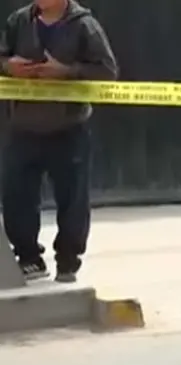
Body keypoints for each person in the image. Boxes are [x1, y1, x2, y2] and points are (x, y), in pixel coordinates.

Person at [0, 0, 117, 283]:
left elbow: (107, 71)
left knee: (73, 200)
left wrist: (66, 71)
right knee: (16, 197)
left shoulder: (84, 26)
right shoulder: (18, 21)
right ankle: (28, 257)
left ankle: (68, 261)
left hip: (68, 128)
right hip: (23, 127)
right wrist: (8, 66)